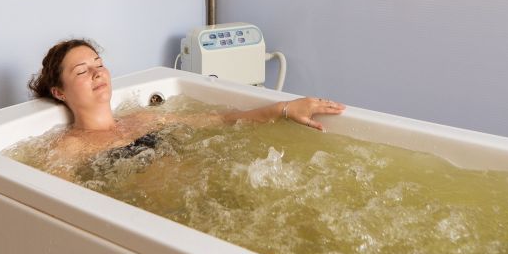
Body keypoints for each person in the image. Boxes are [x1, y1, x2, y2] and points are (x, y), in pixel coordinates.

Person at [28, 38, 345, 161]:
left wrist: (284, 108)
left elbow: (222, 120)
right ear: (59, 92)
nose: (97, 73)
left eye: (99, 64)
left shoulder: (141, 120)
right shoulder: (71, 147)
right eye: (82, 71)